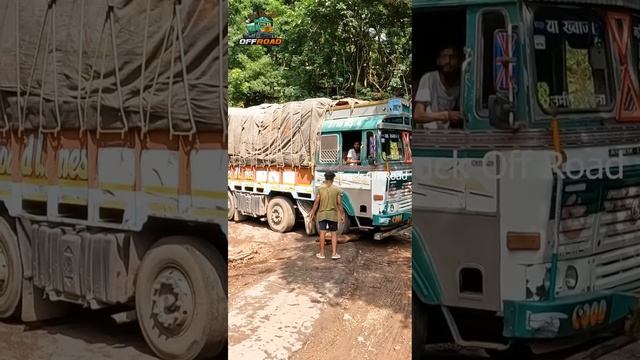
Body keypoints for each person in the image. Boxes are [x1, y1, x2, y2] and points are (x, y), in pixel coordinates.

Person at [414, 46, 464, 129]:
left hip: (446, 133)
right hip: (427, 134)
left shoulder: (462, 83)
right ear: (438, 61)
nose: (448, 61)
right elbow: (418, 115)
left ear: (460, 62)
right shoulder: (429, 78)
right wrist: (447, 115)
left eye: (453, 57)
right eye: (444, 57)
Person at [310, 171, 344, 260]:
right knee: (333, 234)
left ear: (325, 178)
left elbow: (317, 202)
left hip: (322, 214)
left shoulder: (320, 189)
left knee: (322, 233)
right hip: (332, 215)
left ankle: (321, 254)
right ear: (333, 178)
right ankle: (334, 253)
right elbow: (339, 203)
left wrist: (313, 212)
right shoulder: (337, 189)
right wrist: (342, 214)